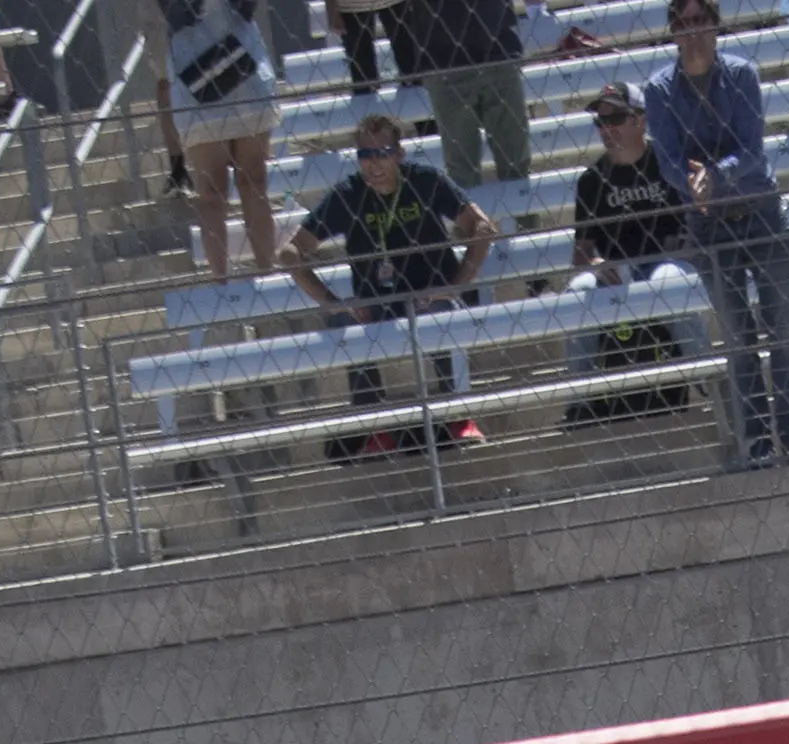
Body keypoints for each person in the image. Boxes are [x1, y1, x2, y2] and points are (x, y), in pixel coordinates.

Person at [282, 109, 492, 458]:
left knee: (443, 312)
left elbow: (483, 228)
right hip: (375, 301)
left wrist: (454, 286)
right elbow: (290, 253)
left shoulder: (424, 180)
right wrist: (335, 302)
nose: (373, 163)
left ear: (399, 154)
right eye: (365, 155)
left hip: (429, 294)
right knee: (342, 322)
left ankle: (459, 418)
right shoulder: (348, 194)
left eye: (381, 153)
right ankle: (374, 429)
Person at [645, 0, 789, 464]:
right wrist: (693, 182)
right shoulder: (659, 90)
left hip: (760, 212)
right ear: (673, 31)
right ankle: (755, 440)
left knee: (783, 328)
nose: (692, 32)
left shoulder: (742, 74)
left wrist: (712, 175)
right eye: (683, 23)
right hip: (708, 223)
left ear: (715, 26)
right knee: (737, 337)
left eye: (700, 22)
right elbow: (668, 161)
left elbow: (753, 150)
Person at [559, 81, 698, 425]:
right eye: (600, 121)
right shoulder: (591, 181)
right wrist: (595, 265)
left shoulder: (667, 162)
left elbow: (698, 223)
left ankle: (707, 382)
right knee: (578, 293)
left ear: (640, 120)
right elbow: (582, 253)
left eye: (616, 118)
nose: (606, 128)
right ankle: (582, 400)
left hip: (670, 262)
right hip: (617, 269)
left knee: (669, 284)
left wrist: (688, 245)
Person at [147, 0, 273, 283]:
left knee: (250, 182)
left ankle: (264, 275)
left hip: (235, 62)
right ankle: (223, 282)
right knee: (217, 190)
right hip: (203, 64)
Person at [395, 0, 522, 202]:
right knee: (463, 174)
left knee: (516, 164)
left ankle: (528, 230)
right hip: (444, 57)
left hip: (497, 47)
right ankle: (472, 230)